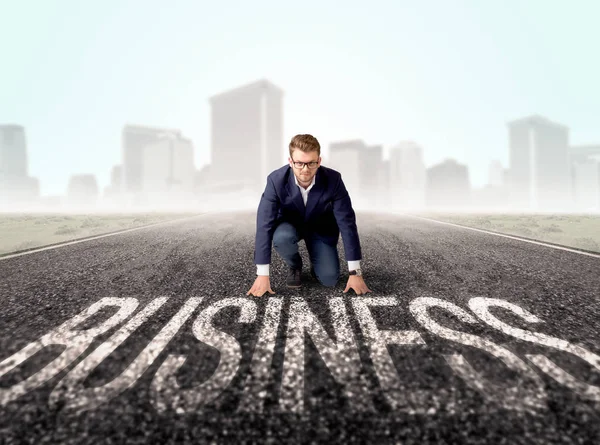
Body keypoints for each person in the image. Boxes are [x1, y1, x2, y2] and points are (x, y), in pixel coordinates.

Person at [246, 134, 372, 297]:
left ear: (319, 161)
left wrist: (355, 273)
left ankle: (317, 261)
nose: (305, 169)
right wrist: (262, 274)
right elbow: (264, 224)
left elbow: (347, 223)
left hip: (320, 228)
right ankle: (295, 265)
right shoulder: (275, 180)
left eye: (311, 163)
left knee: (329, 279)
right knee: (282, 238)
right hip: (289, 226)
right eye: (299, 163)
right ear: (290, 162)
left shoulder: (334, 180)